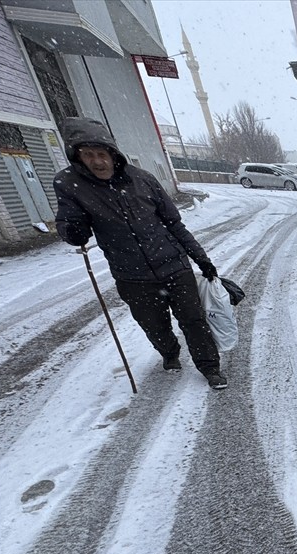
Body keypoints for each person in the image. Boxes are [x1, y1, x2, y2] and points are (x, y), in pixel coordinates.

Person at [53, 117, 228, 390]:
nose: (98, 161)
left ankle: (210, 368)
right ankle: (169, 352)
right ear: (78, 158)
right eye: (89, 155)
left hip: (174, 266)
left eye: (102, 154)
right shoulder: (69, 184)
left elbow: (174, 224)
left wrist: (201, 259)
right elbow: (71, 227)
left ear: (113, 154)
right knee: (155, 326)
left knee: (194, 320)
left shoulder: (142, 179)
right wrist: (73, 228)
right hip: (132, 276)